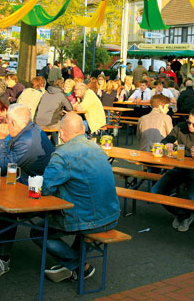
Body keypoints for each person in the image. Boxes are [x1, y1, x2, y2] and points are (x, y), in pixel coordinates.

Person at [35, 113, 120, 283]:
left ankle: (78, 266)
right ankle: (72, 266)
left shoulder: (62, 155)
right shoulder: (97, 148)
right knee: (81, 211)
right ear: (83, 130)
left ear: (61, 133)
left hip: (90, 220)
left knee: (37, 232)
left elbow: (45, 189)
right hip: (111, 214)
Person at [0, 104, 55, 276]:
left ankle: (3, 258)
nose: (6, 127)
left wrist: (0, 140)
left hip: (38, 192)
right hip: (28, 183)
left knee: (2, 207)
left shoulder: (27, 140)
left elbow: (3, 166)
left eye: (8, 123)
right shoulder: (29, 131)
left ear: (15, 123)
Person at [152, 107, 194, 232]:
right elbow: (167, 139)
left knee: (192, 199)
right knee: (156, 191)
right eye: (189, 122)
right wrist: (167, 143)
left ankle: (185, 214)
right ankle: (183, 214)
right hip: (180, 167)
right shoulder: (181, 126)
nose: (190, 126)